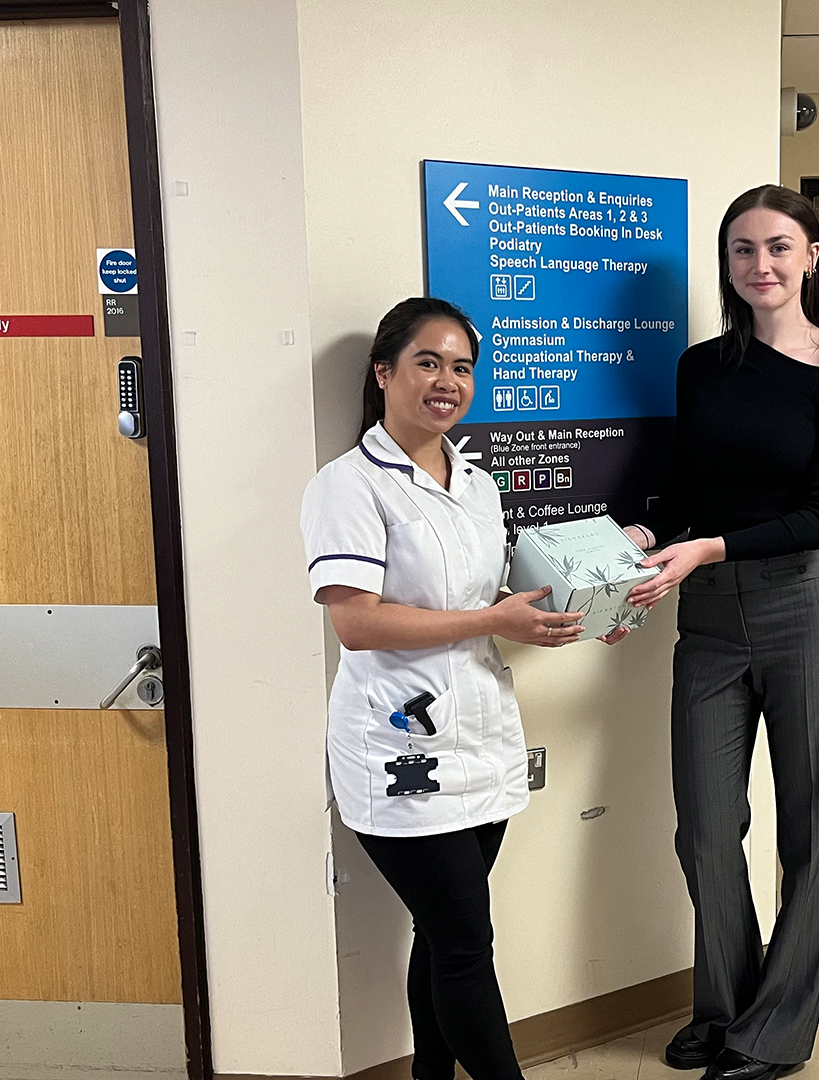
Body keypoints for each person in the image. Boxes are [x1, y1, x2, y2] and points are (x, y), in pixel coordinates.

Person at [614, 185, 819, 1080]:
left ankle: (777, 1032)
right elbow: (686, 491)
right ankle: (725, 1010)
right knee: (705, 826)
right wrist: (645, 539)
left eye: (777, 247)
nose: (759, 265)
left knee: (809, 827)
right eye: (740, 251)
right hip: (711, 616)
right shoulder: (701, 367)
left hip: (803, 606)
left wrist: (704, 547)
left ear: (810, 257)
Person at [300, 297, 584, 1080]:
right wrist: (490, 618)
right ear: (384, 372)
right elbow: (357, 624)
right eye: (428, 362)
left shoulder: (477, 483)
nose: (446, 381)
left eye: (462, 367)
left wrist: (594, 597)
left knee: (440, 933)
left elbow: (502, 595)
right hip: (400, 750)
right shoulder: (348, 485)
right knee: (464, 943)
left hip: (481, 739)